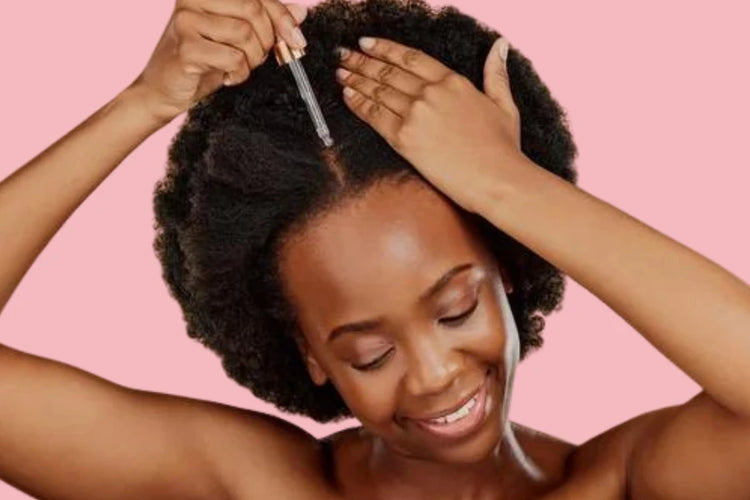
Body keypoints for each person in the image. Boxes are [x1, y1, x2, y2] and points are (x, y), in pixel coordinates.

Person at [1, 0, 749, 498]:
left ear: (510, 272)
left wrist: (506, 188)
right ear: (309, 356)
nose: (432, 377)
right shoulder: (256, 486)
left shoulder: (623, 484)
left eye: (456, 309)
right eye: (368, 354)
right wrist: (147, 101)